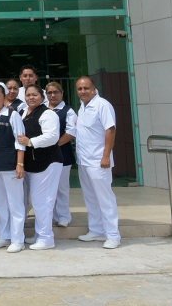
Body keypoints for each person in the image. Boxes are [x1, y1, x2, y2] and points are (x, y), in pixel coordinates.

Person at [74, 76, 121, 249]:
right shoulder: (82, 106)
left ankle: (113, 235)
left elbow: (111, 130)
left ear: (94, 88)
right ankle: (96, 230)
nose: (83, 91)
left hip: (99, 161)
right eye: (80, 88)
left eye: (86, 88)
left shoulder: (102, 105)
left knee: (105, 199)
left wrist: (106, 156)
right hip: (84, 161)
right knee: (91, 197)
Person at [0, 82, 27, 253]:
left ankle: (18, 239)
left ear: (4, 97)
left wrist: (20, 164)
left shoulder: (12, 115)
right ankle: (3, 236)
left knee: (15, 204)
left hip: (10, 167)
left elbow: (20, 142)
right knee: (0, 204)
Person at [17, 85, 62, 250]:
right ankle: (39, 234)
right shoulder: (25, 112)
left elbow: (52, 137)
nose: (31, 98)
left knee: (43, 201)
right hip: (34, 164)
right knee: (36, 201)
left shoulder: (48, 114)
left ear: (42, 96)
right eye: (28, 95)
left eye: (34, 95)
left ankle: (46, 238)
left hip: (48, 163)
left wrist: (30, 142)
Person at [46, 81, 77, 228]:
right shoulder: (43, 109)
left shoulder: (68, 111)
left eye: (55, 92)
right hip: (44, 156)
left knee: (61, 187)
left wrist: (54, 145)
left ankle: (64, 216)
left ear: (62, 93)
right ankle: (51, 216)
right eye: (49, 93)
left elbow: (71, 133)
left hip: (62, 154)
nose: (52, 95)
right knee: (48, 188)